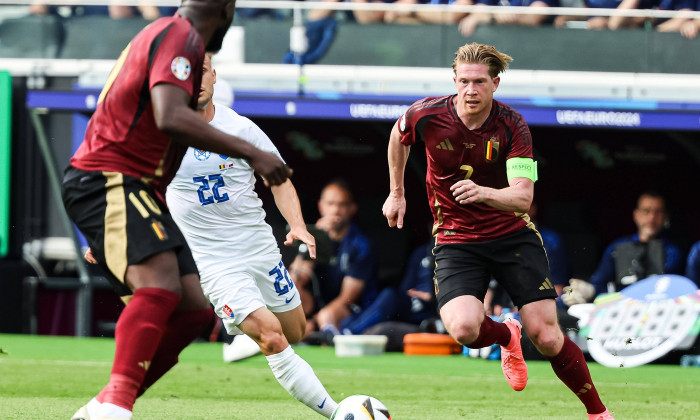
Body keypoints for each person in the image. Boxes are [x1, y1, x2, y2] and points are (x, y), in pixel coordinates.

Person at [62, 1, 292, 419]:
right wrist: (253, 154)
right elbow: (171, 117)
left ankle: (103, 406)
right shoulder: (179, 36)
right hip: (106, 180)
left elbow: (162, 136)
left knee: (191, 312)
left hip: (132, 190)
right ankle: (115, 407)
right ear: (225, 11)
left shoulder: (164, 35)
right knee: (162, 286)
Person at [382, 42, 613, 420]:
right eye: (463, 81)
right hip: (456, 239)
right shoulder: (425, 114)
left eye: (479, 82)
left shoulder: (513, 126)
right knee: (462, 328)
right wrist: (396, 193)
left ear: (495, 83)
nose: (470, 90)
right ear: (453, 81)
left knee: (548, 336)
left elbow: (523, 199)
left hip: (511, 236)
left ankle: (598, 413)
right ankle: (507, 335)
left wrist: (484, 193)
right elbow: (398, 135)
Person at [164, 53, 338, 417]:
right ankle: (338, 413)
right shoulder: (163, 135)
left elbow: (280, 179)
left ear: (214, 76)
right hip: (215, 263)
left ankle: (246, 333)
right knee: (273, 337)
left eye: (202, 73)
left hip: (259, 251)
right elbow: (130, 182)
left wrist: (298, 225)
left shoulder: (240, 128)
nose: (196, 81)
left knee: (295, 331)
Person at [289, 179, 379, 340]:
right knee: (293, 294)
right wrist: (316, 239)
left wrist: (314, 323)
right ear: (321, 206)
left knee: (327, 315)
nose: (336, 210)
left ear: (352, 209)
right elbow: (296, 281)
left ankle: (323, 338)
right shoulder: (313, 235)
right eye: (330, 204)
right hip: (317, 303)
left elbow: (347, 298)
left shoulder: (359, 244)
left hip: (351, 308)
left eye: (342, 205)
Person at [561, 191, 684, 306]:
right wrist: (588, 290)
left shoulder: (672, 251)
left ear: (665, 217)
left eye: (658, 212)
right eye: (646, 211)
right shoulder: (617, 248)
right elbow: (599, 282)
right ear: (636, 215)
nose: (651, 218)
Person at [341, 239, 438, 335]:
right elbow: (406, 287)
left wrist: (433, 297)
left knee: (389, 295)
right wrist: (411, 293)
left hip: (434, 305)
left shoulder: (449, 252)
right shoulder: (421, 252)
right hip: (414, 301)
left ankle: (350, 332)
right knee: (388, 296)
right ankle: (343, 330)